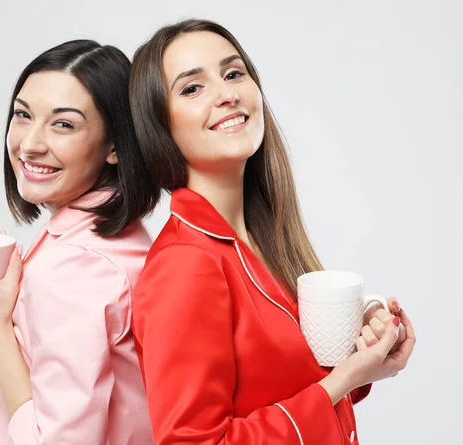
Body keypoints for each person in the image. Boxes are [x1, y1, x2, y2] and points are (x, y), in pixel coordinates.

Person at [128, 19, 416, 445]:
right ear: (160, 127)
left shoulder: (262, 240)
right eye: (192, 88)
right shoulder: (185, 263)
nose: (227, 94)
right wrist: (339, 383)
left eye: (233, 73)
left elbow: (285, 386)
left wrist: (366, 346)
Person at [0, 40, 157, 445]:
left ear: (114, 146)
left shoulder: (73, 267)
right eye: (23, 115)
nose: (30, 143)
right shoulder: (121, 239)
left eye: (64, 124)